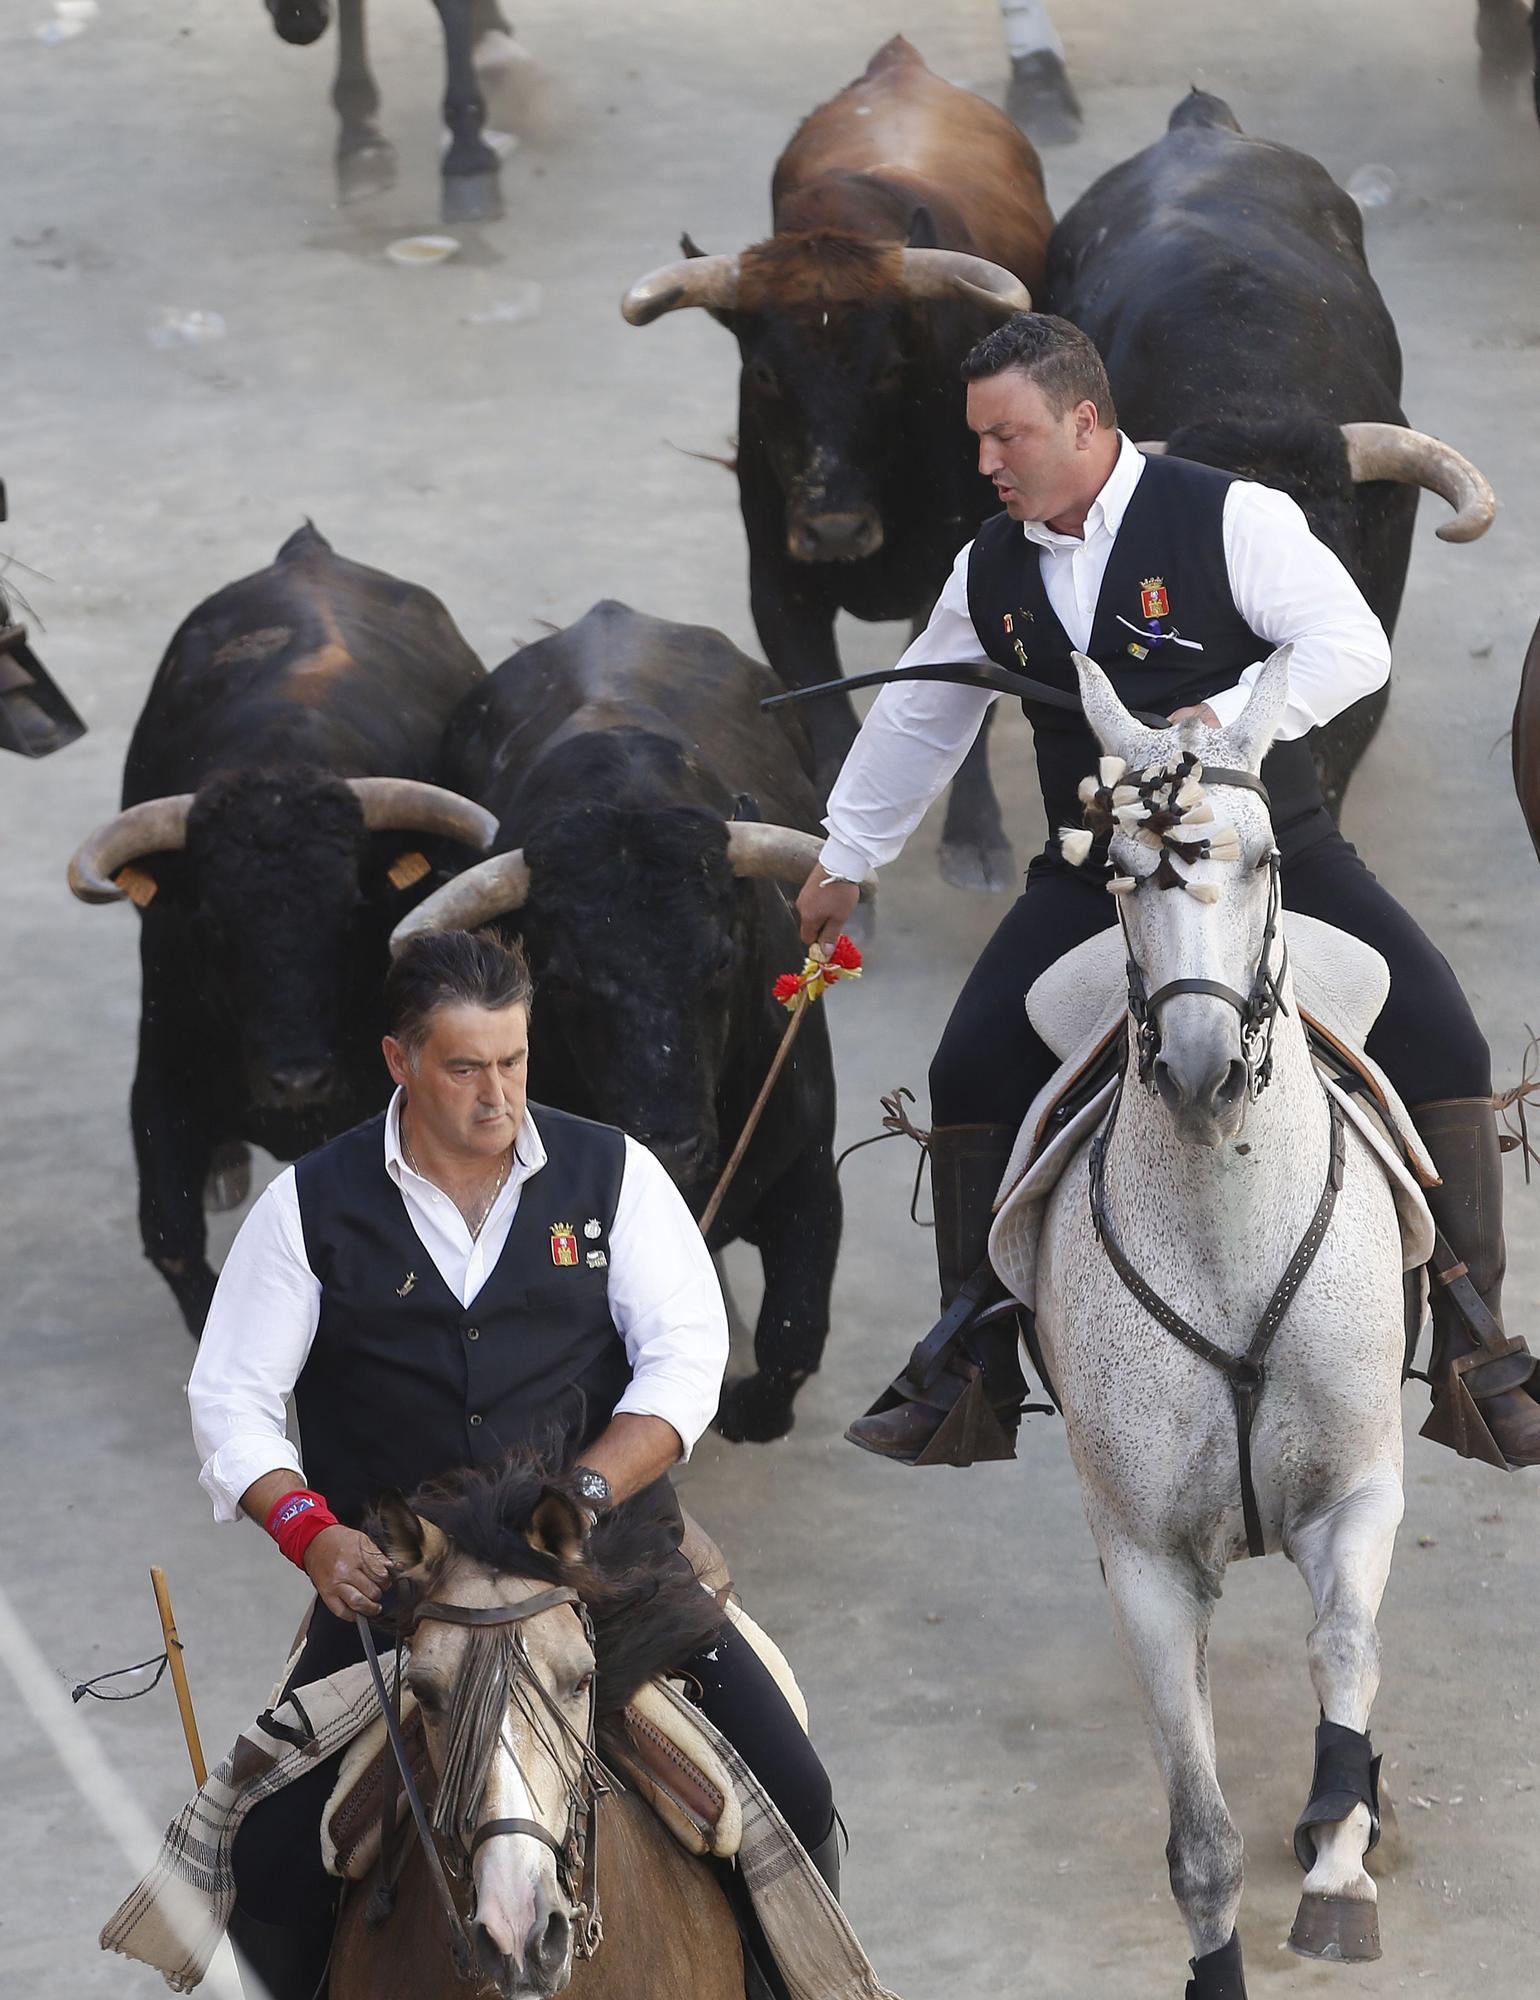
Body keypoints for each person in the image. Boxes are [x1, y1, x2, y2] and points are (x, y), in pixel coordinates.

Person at [797, 312, 1540, 1475]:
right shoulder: (989, 564)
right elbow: (918, 713)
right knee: (968, 1065)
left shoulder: (1226, 516)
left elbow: (1350, 643)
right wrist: (846, 855)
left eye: (1009, 436)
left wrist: (1234, 714)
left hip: (1267, 846)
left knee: (1443, 1033)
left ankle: (1473, 1346)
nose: (986, 462)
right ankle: (973, 1355)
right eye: (978, 439)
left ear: (1084, 422)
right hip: (1094, 868)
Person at [187, 928, 837, 1999]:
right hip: (403, 1595)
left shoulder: (611, 1172)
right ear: (399, 1061)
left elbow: (684, 1361)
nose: (498, 1093)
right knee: (264, 1846)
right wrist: (311, 1530)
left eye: (514, 1060)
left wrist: (584, 1490)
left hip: (613, 1576)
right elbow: (233, 1398)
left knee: (796, 1797)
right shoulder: (309, 1204)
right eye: (465, 1065)